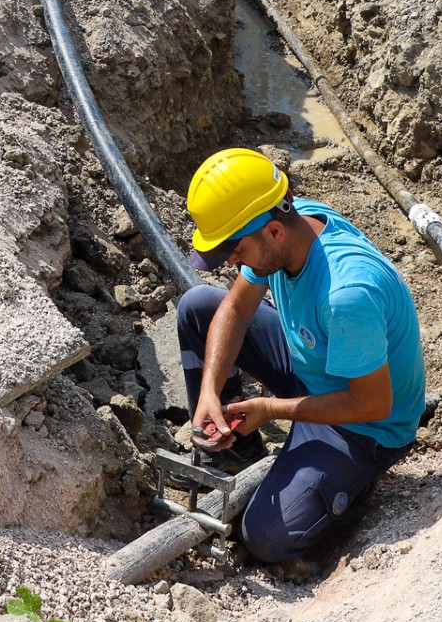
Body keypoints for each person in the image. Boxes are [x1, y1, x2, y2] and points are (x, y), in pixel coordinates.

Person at [179, 147, 425, 564]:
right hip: (315, 364)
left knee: (265, 537)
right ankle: (242, 454)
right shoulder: (291, 224)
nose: (232, 260)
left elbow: (372, 403)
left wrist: (271, 409)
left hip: (365, 426)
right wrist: (209, 391)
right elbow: (236, 309)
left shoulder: (347, 294)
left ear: (273, 232)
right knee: (198, 305)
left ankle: (345, 489)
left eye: (234, 249)